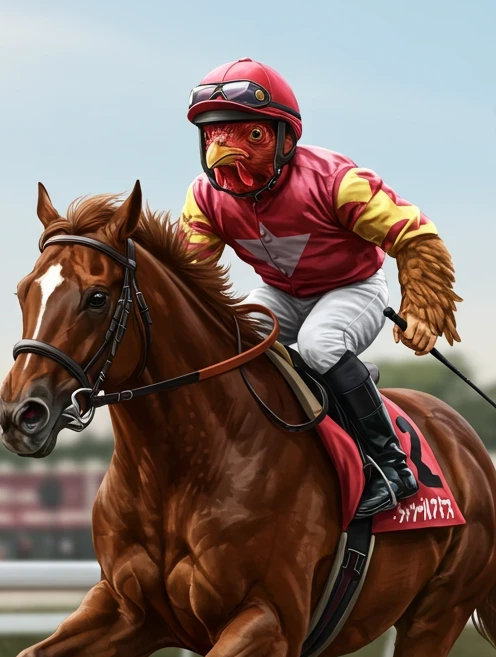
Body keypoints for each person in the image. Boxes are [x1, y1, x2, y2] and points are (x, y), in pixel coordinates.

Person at [179, 58, 462, 516]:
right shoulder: (203, 197)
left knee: (319, 343)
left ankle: (392, 467)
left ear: (286, 139)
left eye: (252, 135)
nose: (220, 149)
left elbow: (415, 234)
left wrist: (423, 307)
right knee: (230, 339)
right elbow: (188, 277)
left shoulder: (336, 182)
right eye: (212, 135)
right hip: (281, 292)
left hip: (354, 287)